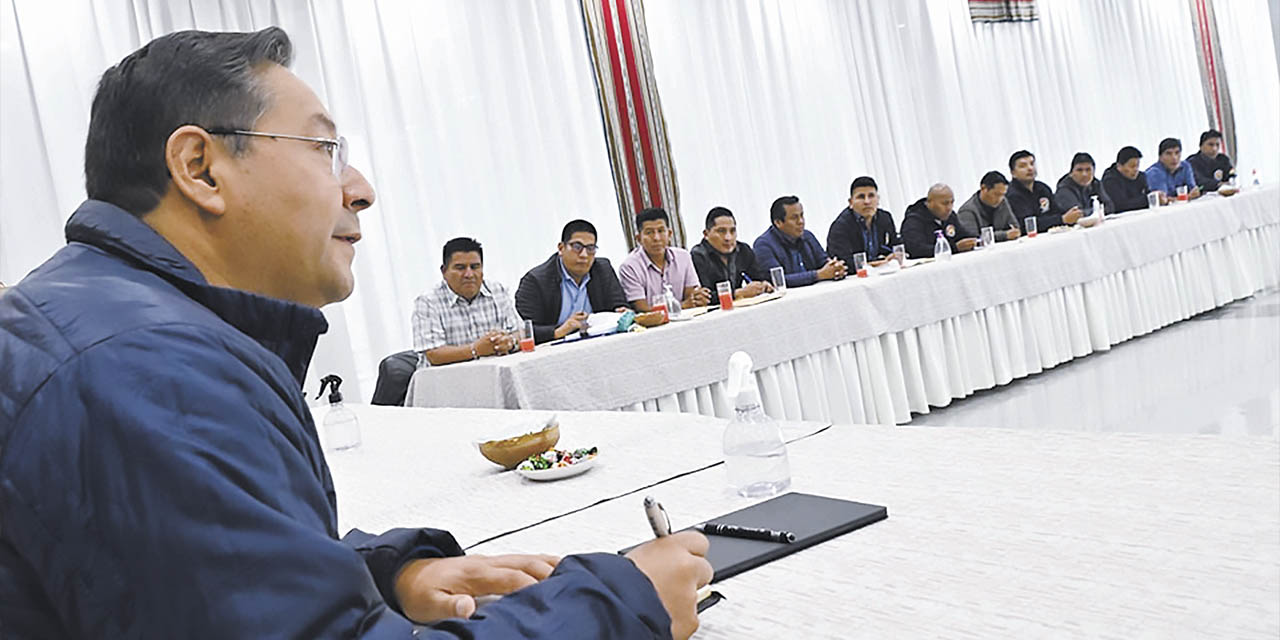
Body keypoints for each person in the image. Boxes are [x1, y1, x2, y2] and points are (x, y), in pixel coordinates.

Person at [0, 28, 711, 639]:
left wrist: (387, 576)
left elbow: (194, 580)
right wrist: (620, 606)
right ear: (200, 168)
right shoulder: (143, 369)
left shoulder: (110, 320)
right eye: (325, 148)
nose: (361, 186)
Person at [515, 219, 630, 343]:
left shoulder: (602, 269)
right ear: (561, 248)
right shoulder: (535, 281)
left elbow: (619, 305)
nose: (584, 255)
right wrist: (559, 331)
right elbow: (525, 330)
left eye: (590, 248)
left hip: (599, 341)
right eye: (577, 247)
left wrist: (622, 313)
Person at [411, 237, 521, 367]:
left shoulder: (497, 291)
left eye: (475, 267)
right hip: (444, 380)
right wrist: (475, 350)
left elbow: (520, 332)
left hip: (493, 374)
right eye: (460, 268)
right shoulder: (428, 302)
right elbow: (434, 354)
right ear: (444, 271)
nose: (469, 274)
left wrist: (509, 342)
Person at [618, 207, 711, 311]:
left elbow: (691, 297)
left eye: (661, 231)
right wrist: (681, 306)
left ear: (670, 234)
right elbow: (643, 309)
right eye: (649, 233)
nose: (656, 238)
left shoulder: (683, 257)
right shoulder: (629, 267)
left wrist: (698, 298)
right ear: (639, 239)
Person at [753, 195, 847, 287]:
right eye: (794, 218)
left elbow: (823, 261)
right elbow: (777, 280)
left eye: (802, 215)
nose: (801, 221)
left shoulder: (807, 236)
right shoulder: (763, 245)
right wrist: (818, 275)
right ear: (778, 222)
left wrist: (835, 268)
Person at [689, 207, 773, 301]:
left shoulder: (743, 250)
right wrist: (738, 293)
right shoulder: (698, 256)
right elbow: (704, 297)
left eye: (732, 231)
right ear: (706, 234)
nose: (728, 237)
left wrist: (763, 285)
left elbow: (759, 277)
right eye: (721, 231)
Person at [826, 176, 901, 266]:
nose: (867, 201)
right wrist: (878, 263)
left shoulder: (885, 218)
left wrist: (894, 256)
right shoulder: (840, 227)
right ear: (851, 202)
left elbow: (896, 245)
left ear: (878, 199)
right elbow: (844, 263)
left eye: (871, 196)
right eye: (861, 197)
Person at [1006, 149, 1083, 232]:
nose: (1030, 168)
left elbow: (1056, 211)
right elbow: (1027, 224)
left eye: (1032, 164)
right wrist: (1062, 219)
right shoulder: (1012, 194)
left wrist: (1071, 214)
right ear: (1013, 173)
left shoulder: (1042, 188)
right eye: (1023, 166)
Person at [900, 184, 979, 258]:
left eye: (952, 202)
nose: (949, 208)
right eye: (945, 203)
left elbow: (963, 235)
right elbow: (916, 250)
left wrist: (975, 240)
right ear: (929, 203)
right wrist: (954, 248)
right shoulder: (913, 221)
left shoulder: (950, 216)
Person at [956, 171, 1022, 243]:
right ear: (983, 188)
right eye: (996, 194)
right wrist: (1004, 235)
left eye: (1003, 195)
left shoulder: (1003, 201)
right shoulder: (967, 211)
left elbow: (1015, 228)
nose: (999, 199)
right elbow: (974, 239)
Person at [1054, 152, 1110, 220]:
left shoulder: (1095, 183)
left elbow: (1109, 206)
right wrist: (1097, 210)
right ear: (1071, 173)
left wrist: (1095, 211)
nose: (1084, 174)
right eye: (1079, 170)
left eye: (1088, 170)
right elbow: (1077, 214)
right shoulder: (1063, 189)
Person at [1101, 146, 1155, 212]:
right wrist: (1148, 200)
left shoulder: (1141, 176)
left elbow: (1148, 193)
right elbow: (1120, 206)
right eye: (1132, 166)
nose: (1136, 170)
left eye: (1137, 165)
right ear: (1119, 166)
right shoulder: (1110, 180)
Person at [1186, 129, 1238, 195]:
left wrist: (1230, 181)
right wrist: (1218, 184)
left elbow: (1231, 174)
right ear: (1201, 146)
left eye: (1217, 145)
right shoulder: (1191, 162)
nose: (1214, 149)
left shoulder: (1223, 159)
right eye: (1210, 145)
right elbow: (1198, 182)